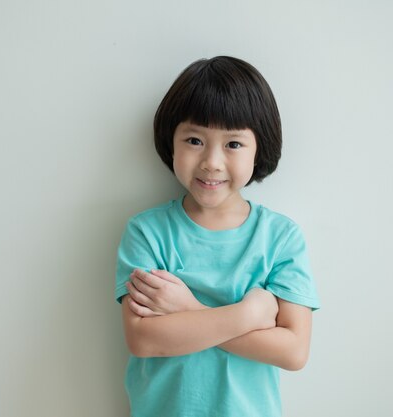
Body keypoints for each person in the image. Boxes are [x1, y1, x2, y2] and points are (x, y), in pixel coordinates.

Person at [114, 56, 320, 417]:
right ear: (171, 142)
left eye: (233, 144)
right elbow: (144, 340)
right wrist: (249, 313)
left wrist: (188, 310)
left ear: (260, 148)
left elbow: (293, 351)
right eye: (194, 140)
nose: (211, 161)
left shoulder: (280, 238)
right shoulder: (147, 232)